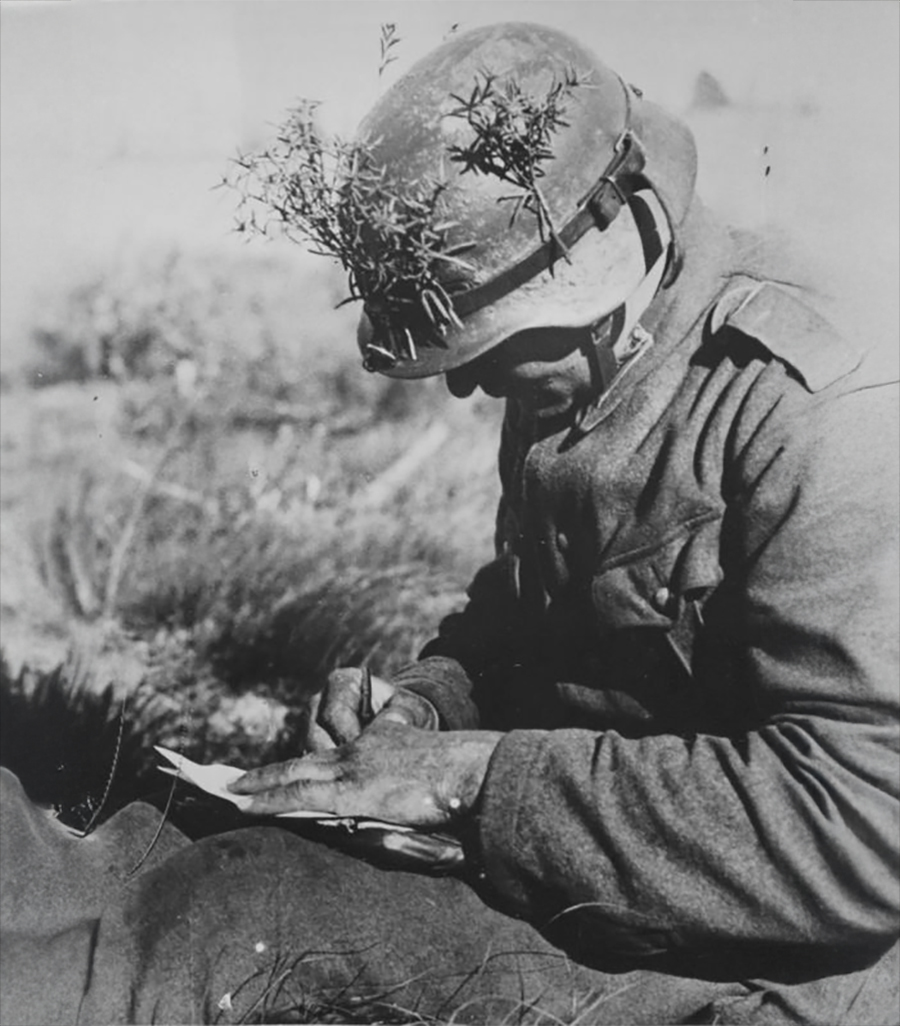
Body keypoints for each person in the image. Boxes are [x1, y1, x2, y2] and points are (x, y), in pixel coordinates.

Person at [1, 22, 897, 1026]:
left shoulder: (818, 406)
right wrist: (427, 707)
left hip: (759, 952)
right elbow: (531, 611)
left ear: (599, 279)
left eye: (487, 347)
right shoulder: (570, 364)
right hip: (574, 865)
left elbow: (862, 829)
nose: (469, 384)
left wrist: (472, 784)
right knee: (132, 865)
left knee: (225, 927)